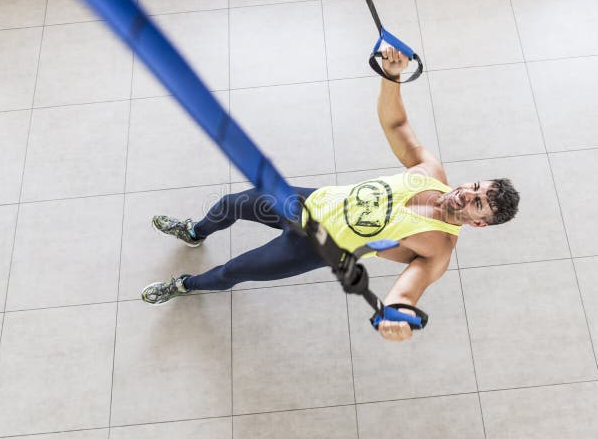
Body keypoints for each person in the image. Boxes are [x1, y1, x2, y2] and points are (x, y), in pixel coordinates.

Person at [142, 47, 520, 341]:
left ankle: (185, 285)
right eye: (475, 186)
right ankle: (195, 232)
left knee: (234, 271)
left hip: (312, 247)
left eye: (477, 203)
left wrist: (396, 315)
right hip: (304, 202)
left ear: (479, 223)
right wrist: (391, 76)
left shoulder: (438, 249)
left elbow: (406, 293)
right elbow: (396, 123)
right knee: (229, 204)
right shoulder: (430, 173)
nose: (465, 194)